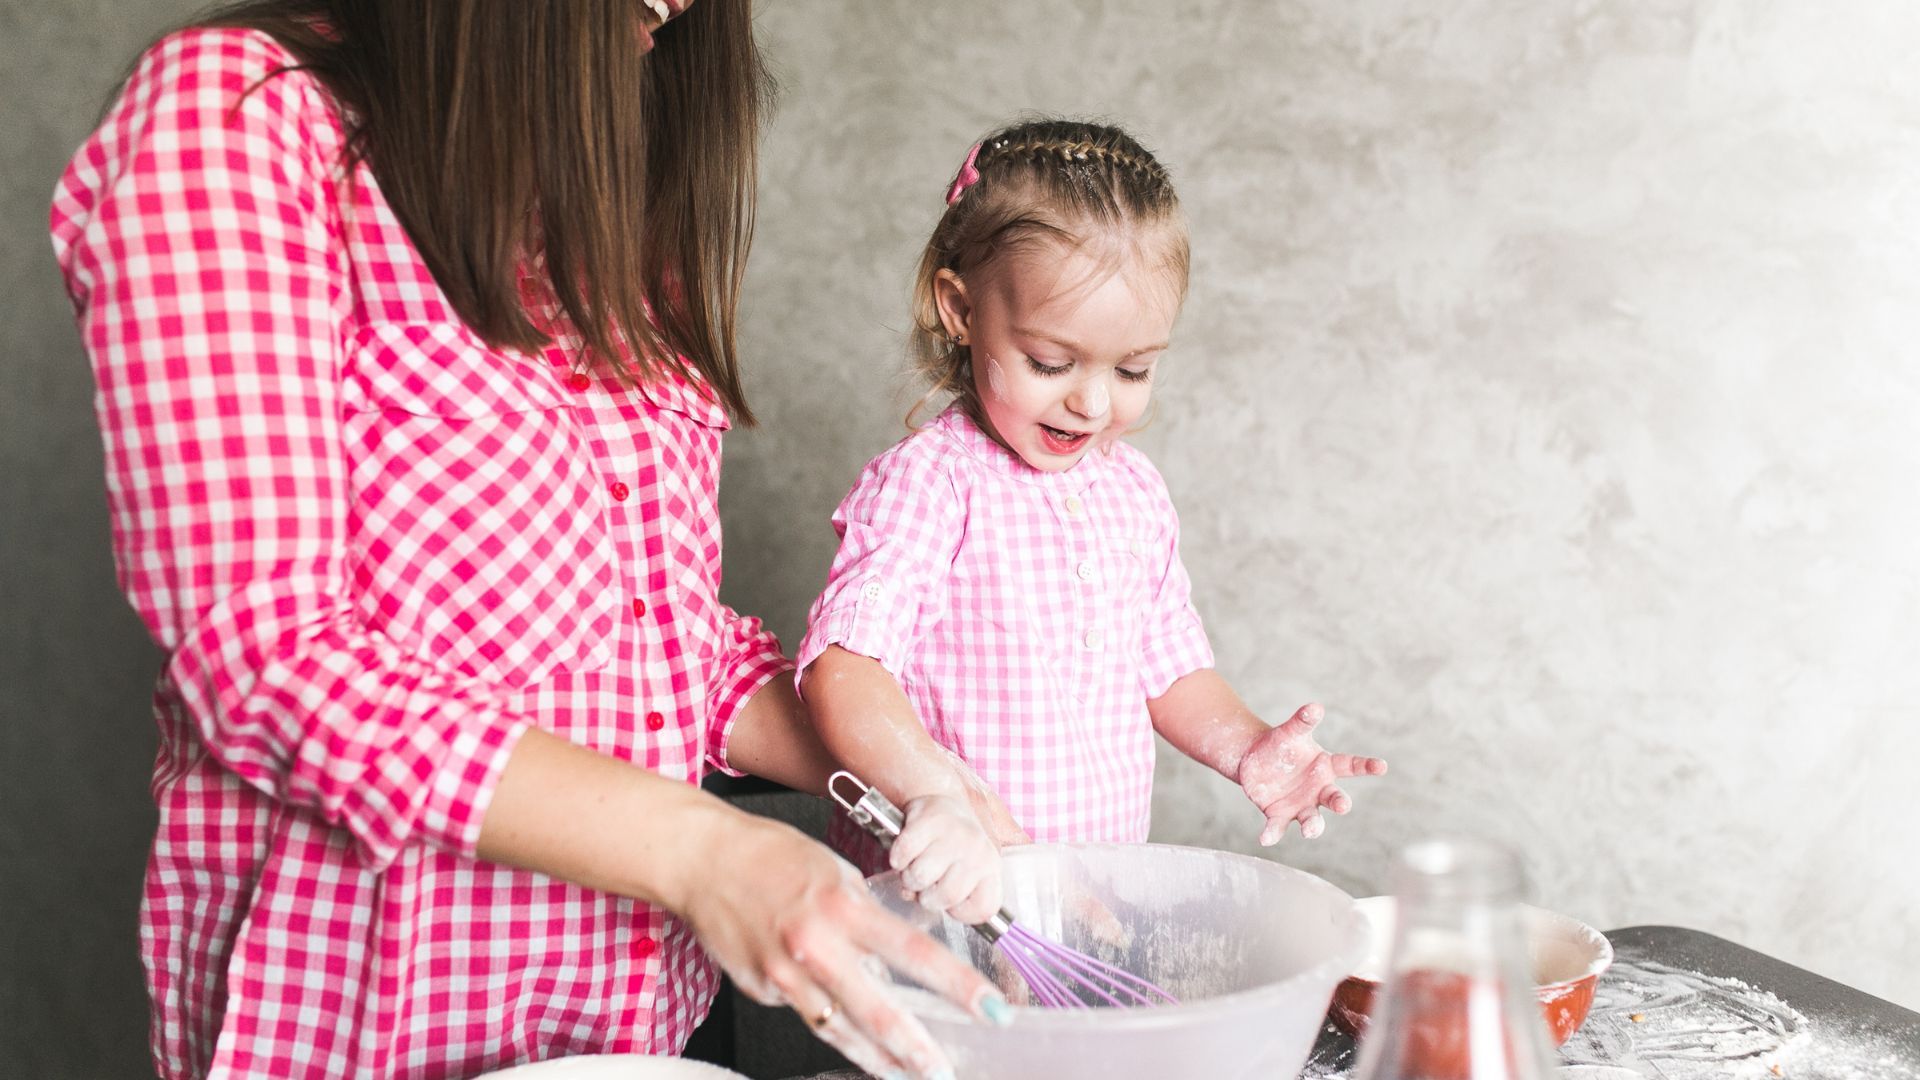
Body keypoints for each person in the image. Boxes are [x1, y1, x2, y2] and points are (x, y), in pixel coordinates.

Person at [48, 2, 1006, 1077]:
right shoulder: (239, 117)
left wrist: (920, 776)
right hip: (369, 1034)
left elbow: (669, 647)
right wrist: (703, 851)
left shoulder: (602, 198)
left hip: (641, 1026)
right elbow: (270, 658)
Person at [797, 119, 1390, 925]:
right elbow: (844, 671)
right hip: (949, 907)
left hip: (1093, 898)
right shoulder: (929, 486)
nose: (1094, 401)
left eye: (1135, 368)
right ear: (960, 309)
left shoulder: (1133, 492)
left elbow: (1169, 667)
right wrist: (940, 795)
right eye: (1052, 363)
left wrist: (1247, 745)